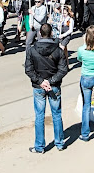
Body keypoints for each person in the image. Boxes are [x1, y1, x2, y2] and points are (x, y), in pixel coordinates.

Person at [24, 23, 67, 154]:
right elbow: (63, 69)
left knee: (39, 116)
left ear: (39, 34)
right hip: (53, 86)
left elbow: (28, 69)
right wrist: (51, 81)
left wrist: (41, 81)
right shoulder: (58, 50)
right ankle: (59, 143)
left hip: (39, 87)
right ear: (51, 34)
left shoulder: (31, 49)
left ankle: (39, 146)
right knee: (57, 115)